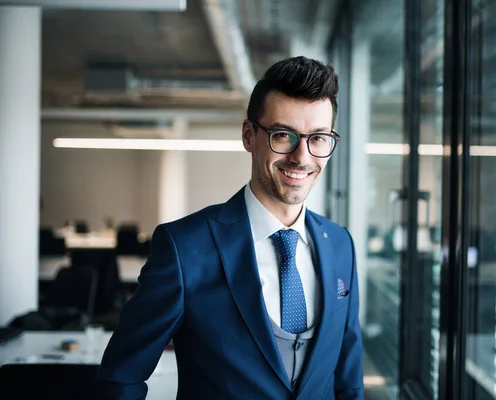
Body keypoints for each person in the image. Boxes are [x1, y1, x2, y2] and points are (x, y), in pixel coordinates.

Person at [97, 56, 364, 399]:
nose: (302, 157)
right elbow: (121, 377)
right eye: (283, 135)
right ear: (249, 136)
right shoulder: (185, 248)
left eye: (318, 138)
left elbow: (348, 382)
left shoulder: (341, 244)